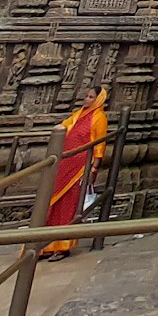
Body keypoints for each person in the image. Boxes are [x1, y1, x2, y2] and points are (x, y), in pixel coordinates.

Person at [40, 86, 109, 258]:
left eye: (91, 97)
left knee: (69, 204)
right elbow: (63, 127)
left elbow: (99, 146)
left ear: (99, 100)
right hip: (65, 164)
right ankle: (45, 245)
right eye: (86, 96)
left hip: (80, 167)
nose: (86, 99)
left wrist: (94, 168)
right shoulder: (78, 115)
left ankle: (63, 246)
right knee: (51, 201)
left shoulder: (99, 118)